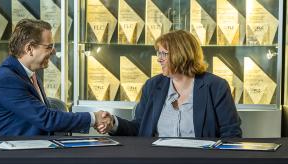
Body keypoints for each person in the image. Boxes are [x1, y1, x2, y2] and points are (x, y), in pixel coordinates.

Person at [98, 30, 242, 138]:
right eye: (158, 54)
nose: (158, 59)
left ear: (181, 54)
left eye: (163, 54)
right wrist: (113, 123)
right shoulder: (153, 85)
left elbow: (231, 134)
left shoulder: (216, 87)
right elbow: (140, 128)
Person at [0, 19, 108, 136]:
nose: (54, 51)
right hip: (9, 154)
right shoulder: (5, 80)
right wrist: (93, 118)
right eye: (49, 47)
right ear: (29, 48)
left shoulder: (30, 74)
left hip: (32, 148)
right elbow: (46, 119)